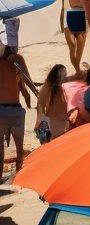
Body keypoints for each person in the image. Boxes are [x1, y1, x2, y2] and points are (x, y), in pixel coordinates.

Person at [0, 45, 36, 173]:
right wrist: (35, 96)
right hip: (15, 110)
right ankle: (18, 174)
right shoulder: (17, 59)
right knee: (19, 149)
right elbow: (27, 83)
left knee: (0, 150)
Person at [35, 63, 70, 142]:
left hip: (55, 123)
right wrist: (39, 122)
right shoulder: (52, 87)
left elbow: (40, 105)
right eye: (64, 74)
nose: (66, 76)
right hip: (55, 124)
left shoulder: (56, 87)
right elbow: (40, 106)